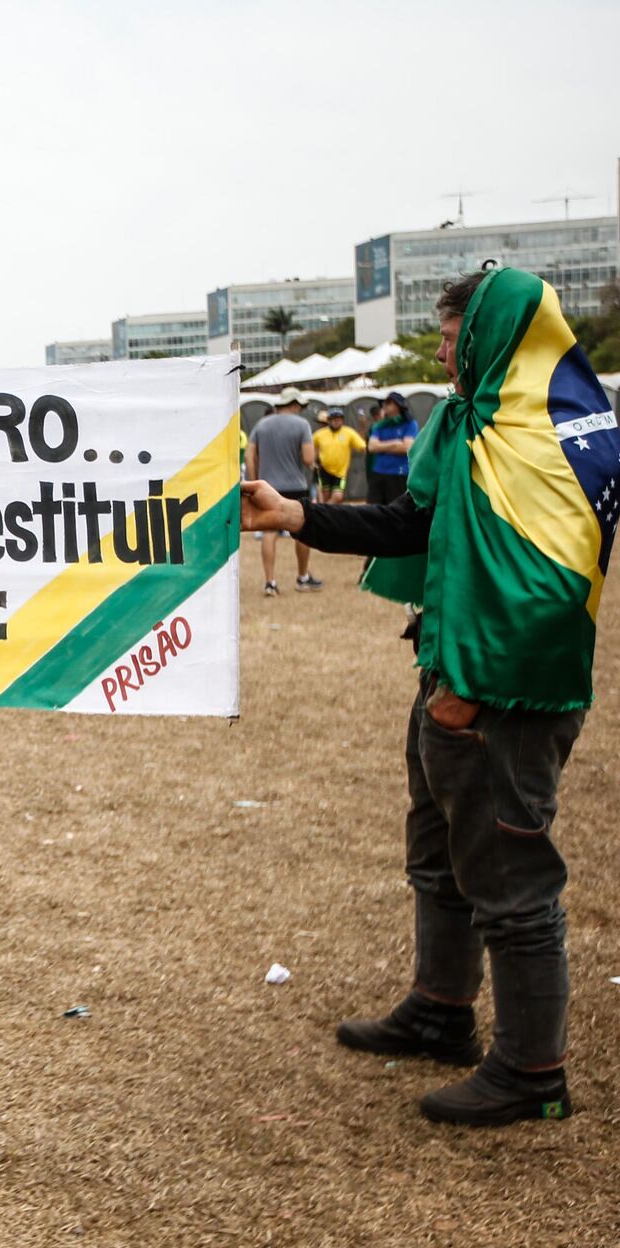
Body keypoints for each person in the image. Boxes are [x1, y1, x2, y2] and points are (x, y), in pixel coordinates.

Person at [241, 267, 618, 1126]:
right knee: (440, 856)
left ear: (496, 342)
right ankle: (441, 1009)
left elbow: (548, 594)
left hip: (504, 693)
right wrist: (296, 517)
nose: (444, 355)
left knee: (512, 878)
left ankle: (532, 1071)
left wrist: (471, 698)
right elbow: (414, 523)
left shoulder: (556, 441)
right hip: (449, 664)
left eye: (454, 341)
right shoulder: (466, 424)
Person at [244, 392, 319, 594]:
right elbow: (308, 458)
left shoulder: (262, 424)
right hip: (296, 485)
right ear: (294, 405)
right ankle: (302, 578)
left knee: (269, 533)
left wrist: (253, 481)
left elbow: (249, 455)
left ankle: (270, 582)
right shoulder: (302, 425)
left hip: (268, 486)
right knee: (303, 531)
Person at [365, 392, 418, 506]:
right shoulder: (379, 425)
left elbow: (406, 448)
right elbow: (372, 447)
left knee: (396, 510)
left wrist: (382, 447)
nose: (385, 405)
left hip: (399, 474)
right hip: (378, 472)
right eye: (384, 403)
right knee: (373, 509)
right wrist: (395, 443)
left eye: (389, 403)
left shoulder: (410, 424)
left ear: (398, 406)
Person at [312, 407, 366, 504]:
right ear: (329, 420)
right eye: (333, 419)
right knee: (325, 496)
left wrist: (363, 427)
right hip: (324, 470)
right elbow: (311, 447)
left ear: (342, 420)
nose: (336, 421)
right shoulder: (320, 434)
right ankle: (326, 513)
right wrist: (313, 462)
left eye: (339, 419)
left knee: (337, 496)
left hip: (340, 472)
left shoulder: (349, 432)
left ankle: (324, 510)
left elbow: (362, 446)